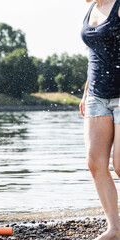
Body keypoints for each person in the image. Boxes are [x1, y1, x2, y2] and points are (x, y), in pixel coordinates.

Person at [80, 0, 120, 239]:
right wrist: (85, 94)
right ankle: (115, 229)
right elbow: (94, 56)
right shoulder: (91, 7)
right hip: (96, 95)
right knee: (95, 163)